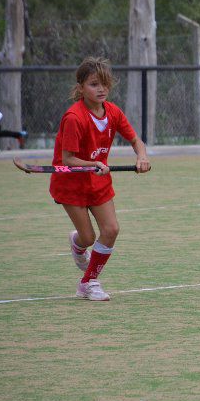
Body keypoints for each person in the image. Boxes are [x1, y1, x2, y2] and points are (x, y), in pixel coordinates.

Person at [49, 57, 151, 301]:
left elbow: (136, 140)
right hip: (71, 183)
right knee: (88, 238)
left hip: (98, 181)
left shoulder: (113, 112)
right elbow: (68, 159)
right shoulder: (74, 118)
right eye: (94, 84)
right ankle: (78, 242)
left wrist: (142, 157)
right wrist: (93, 163)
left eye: (105, 84)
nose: (101, 89)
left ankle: (88, 282)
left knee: (111, 229)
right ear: (81, 86)